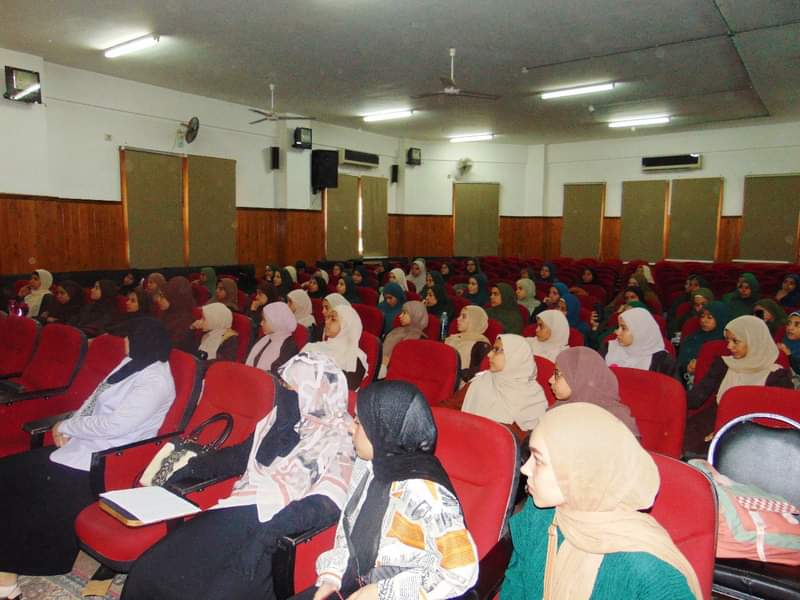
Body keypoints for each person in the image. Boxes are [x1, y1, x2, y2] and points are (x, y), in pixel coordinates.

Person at [121, 353, 355, 600]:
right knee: (149, 570)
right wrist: (192, 468)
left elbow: (324, 506)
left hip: (278, 531)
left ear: (313, 394)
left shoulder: (341, 440)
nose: (283, 393)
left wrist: (266, 536)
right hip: (238, 507)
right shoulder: (277, 420)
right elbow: (240, 455)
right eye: (282, 384)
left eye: (290, 387)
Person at [0, 318, 176, 598]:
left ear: (143, 341)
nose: (125, 342)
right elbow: (93, 399)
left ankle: (7, 577)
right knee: (9, 473)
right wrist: (69, 424)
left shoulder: (156, 381)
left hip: (108, 459)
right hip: (82, 445)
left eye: (129, 337)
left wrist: (68, 426)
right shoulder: (132, 363)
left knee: (33, 499)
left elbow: (114, 426)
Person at [295, 380, 478, 600]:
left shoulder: (424, 490)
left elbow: (461, 572)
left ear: (383, 431)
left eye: (359, 422)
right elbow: (349, 533)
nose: (351, 428)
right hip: (358, 581)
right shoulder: (369, 466)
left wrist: (382, 592)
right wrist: (332, 576)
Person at [501, 402, 702, 600]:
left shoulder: (647, 569)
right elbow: (516, 582)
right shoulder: (540, 514)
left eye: (538, 460)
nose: (525, 469)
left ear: (579, 472)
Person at [447, 334, 548, 438]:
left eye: (496, 350)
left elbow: (523, 439)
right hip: (467, 438)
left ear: (514, 356)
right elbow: (450, 406)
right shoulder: (481, 381)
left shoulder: (532, 398)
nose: (489, 354)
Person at [687, 315, 792, 410]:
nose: (729, 346)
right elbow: (697, 396)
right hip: (720, 417)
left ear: (753, 341)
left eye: (735, 341)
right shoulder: (723, 365)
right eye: (728, 341)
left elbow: (779, 412)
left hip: (756, 424)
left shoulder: (777, 375)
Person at [548, 347, 639, 437]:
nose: (550, 380)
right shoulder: (561, 407)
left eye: (557, 374)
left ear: (580, 378)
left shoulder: (616, 422)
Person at [304, 304, 368, 390]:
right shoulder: (314, 346)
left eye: (333, 319)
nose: (326, 322)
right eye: (327, 318)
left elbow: (342, 389)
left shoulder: (355, 360)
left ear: (346, 325)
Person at [604, 307, 676, 377]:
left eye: (623, 328)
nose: (617, 332)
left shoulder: (662, 361)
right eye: (618, 327)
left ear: (639, 331)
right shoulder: (608, 348)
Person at [677, 301, 730, 385]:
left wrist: (701, 366)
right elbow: (679, 365)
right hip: (687, 382)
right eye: (702, 316)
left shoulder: (728, 343)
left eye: (709, 317)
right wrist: (687, 367)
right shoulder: (691, 339)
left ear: (720, 319)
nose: (703, 320)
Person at [245, 302, 300, 375]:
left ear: (276, 322)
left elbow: (275, 376)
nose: (261, 323)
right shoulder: (265, 338)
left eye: (264, 320)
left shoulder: (288, 348)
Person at [379, 301, 428, 377]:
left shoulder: (419, 339)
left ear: (415, 315)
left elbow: (405, 364)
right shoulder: (396, 330)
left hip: (394, 373)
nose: (400, 316)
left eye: (404, 313)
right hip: (380, 366)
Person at [445, 305, 492, 384]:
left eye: (463, 316)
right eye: (459, 315)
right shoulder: (452, 338)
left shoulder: (481, 345)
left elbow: (474, 375)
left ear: (474, 321)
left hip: (460, 385)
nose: (458, 319)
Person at [156, 276, 197, 351]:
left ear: (174, 298)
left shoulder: (185, 322)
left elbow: (172, 348)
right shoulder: (166, 313)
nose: (158, 300)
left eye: (162, 297)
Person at [778, 311, 800, 377]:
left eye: (797, 325)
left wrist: (789, 354)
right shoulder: (785, 339)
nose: (790, 328)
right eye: (788, 324)